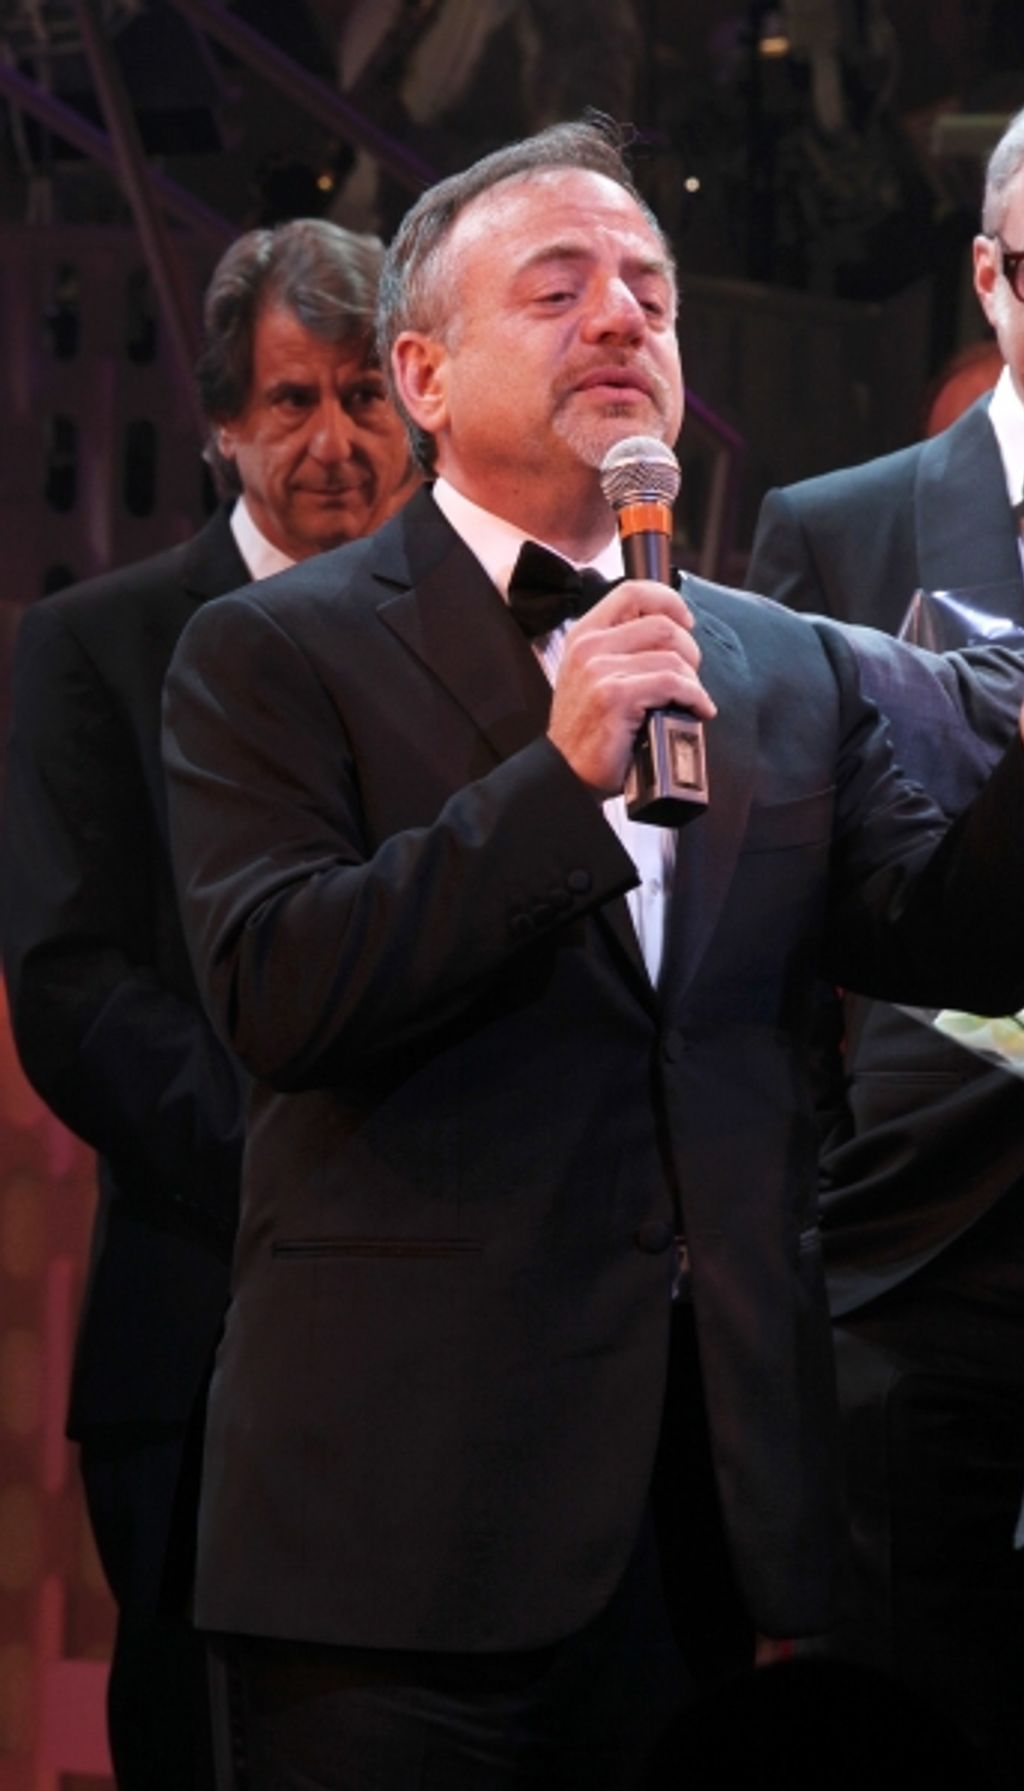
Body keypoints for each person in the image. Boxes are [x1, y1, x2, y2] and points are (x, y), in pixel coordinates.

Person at [158, 117, 1024, 1791]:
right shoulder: (269, 654)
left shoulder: (772, 663)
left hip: (704, 1526)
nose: (622, 318)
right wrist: (553, 783)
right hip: (393, 1539)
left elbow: (945, 943)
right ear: (422, 372)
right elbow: (280, 986)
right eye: (558, 290)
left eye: (650, 288)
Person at [746, 77, 1024, 1786]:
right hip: (922, 1247)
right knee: (906, 1731)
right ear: (989, 277)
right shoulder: (833, 528)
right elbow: (780, 898)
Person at [0, 217, 414, 1791]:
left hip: (456, 1342)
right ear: (223, 425)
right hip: (198, 1325)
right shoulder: (96, 644)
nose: (333, 443)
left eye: (365, 397)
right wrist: (305, 1173)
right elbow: (72, 988)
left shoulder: (492, 634)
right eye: (293, 403)